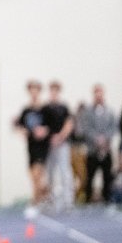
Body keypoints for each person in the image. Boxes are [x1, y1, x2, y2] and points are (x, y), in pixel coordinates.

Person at [14, 80, 50, 218]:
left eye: (36, 91)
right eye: (31, 91)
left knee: (37, 174)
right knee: (33, 177)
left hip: (42, 146)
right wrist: (22, 131)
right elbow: (20, 125)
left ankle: (34, 203)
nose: (34, 93)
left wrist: (44, 130)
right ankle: (44, 195)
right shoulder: (27, 110)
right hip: (31, 146)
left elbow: (52, 126)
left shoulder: (45, 109)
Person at [42, 80, 75, 212]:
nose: (53, 94)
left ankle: (68, 200)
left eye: (56, 91)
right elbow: (42, 126)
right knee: (49, 173)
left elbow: (69, 124)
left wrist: (60, 136)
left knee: (65, 171)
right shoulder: (45, 109)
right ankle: (50, 200)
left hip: (62, 144)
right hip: (49, 145)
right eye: (52, 91)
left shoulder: (64, 108)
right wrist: (50, 137)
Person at [81, 83, 117, 203]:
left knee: (107, 177)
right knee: (89, 176)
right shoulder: (87, 112)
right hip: (92, 150)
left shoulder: (110, 111)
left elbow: (113, 127)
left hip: (106, 150)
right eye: (96, 92)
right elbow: (86, 128)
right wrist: (96, 139)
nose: (98, 95)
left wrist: (105, 138)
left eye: (100, 92)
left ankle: (107, 200)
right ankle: (88, 200)